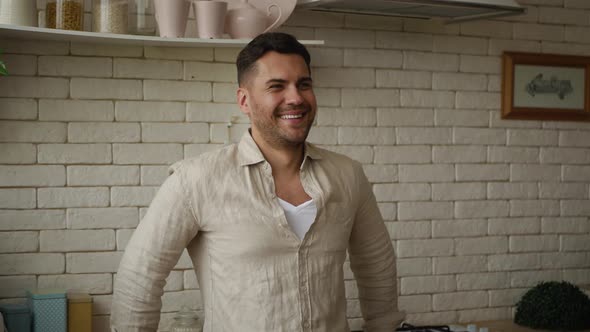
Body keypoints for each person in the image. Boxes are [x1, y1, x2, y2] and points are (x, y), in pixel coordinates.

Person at [111, 32, 404, 332]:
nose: (296, 98)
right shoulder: (196, 180)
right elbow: (139, 279)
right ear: (244, 100)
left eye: (304, 84)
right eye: (277, 86)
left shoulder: (348, 175)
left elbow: (376, 266)